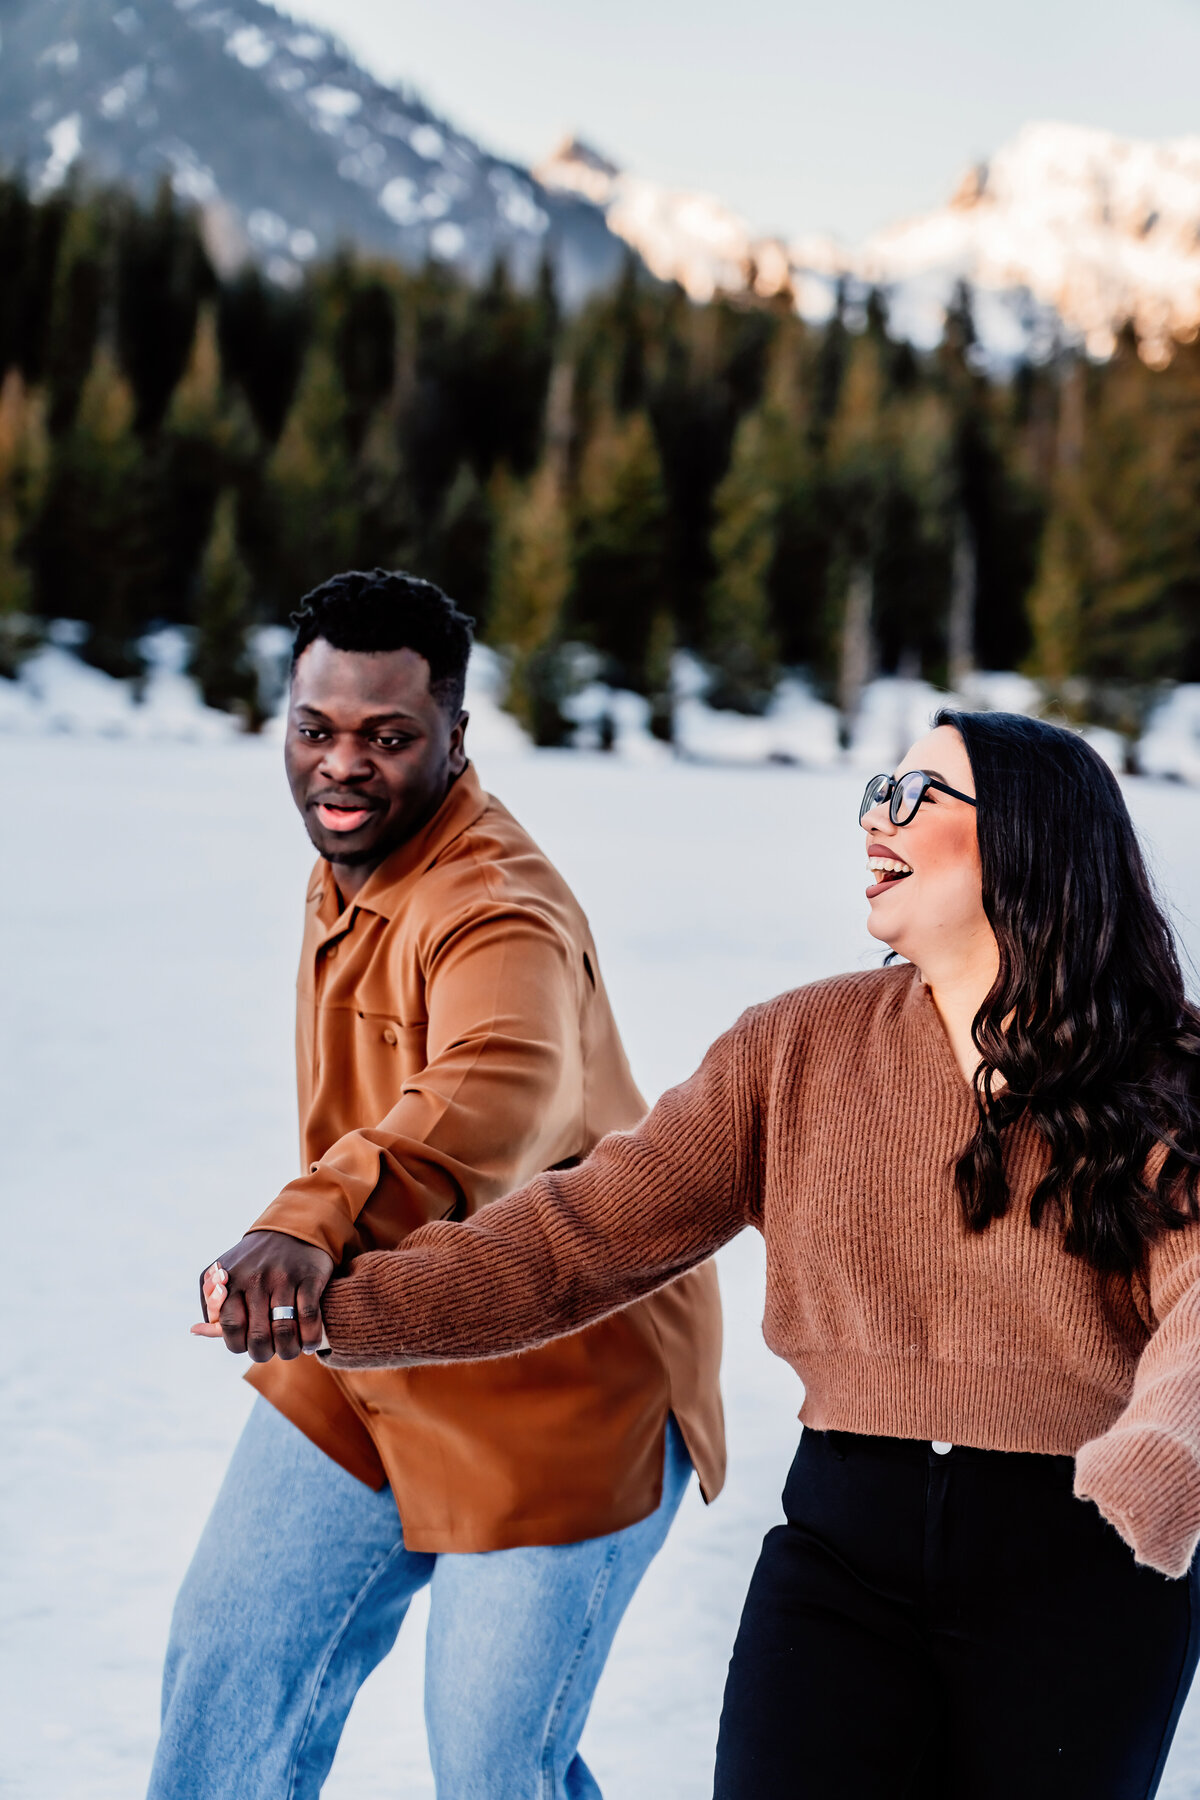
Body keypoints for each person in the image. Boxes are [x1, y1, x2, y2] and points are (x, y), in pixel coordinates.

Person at [218, 709, 1200, 1799]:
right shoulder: (796, 1048)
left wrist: (1165, 1452)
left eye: (917, 797)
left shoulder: (1167, 1078)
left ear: (1027, 839)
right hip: (845, 1556)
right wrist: (339, 1309)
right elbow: (579, 1236)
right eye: (878, 788)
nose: (877, 816)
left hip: (1082, 1553)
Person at [156, 569, 724, 1800]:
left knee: (489, 1768)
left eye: (388, 737)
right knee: (228, 1673)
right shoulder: (352, 857)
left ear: (456, 737)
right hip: (371, 1320)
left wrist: (306, 1219)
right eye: (316, 730)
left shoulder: (493, 904)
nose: (341, 766)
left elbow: (497, 1081)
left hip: (565, 1364)